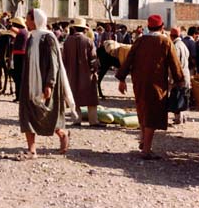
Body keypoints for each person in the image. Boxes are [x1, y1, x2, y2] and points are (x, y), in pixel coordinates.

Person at [116, 14, 184, 160]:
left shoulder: (140, 41)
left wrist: (121, 79)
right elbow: (175, 64)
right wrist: (180, 81)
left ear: (148, 26)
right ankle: (146, 150)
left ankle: (142, 141)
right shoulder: (165, 42)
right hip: (156, 84)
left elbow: (129, 60)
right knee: (152, 115)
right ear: (162, 26)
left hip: (139, 83)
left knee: (142, 110)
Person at [18, 9, 77, 160]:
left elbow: (54, 63)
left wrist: (49, 84)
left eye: (28, 19)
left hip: (45, 82)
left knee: (47, 113)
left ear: (36, 20)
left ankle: (62, 133)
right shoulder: (31, 38)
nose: (26, 22)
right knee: (27, 114)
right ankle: (31, 150)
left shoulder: (48, 38)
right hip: (29, 83)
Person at [63, 18, 104, 128]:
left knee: (74, 95)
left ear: (74, 28)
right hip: (87, 74)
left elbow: (63, 60)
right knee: (91, 98)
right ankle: (93, 121)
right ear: (84, 29)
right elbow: (94, 59)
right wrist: (95, 71)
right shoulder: (88, 41)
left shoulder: (67, 41)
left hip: (71, 74)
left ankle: (76, 119)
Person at [169, 27, 190, 125]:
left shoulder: (176, 46)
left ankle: (178, 119)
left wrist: (172, 79)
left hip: (179, 76)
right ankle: (182, 118)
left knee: (177, 98)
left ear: (171, 36)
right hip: (186, 74)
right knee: (183, 96)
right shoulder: (183, 45)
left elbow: (175, 64)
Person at [10, 16, 28, 103]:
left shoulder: (22, 31)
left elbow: (13, 29)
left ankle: (19, 97)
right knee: (18, 76)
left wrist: (9, 24)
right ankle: (18, 96)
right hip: (19, 55)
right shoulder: (23, 32)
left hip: (20, 56)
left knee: (18, 76)